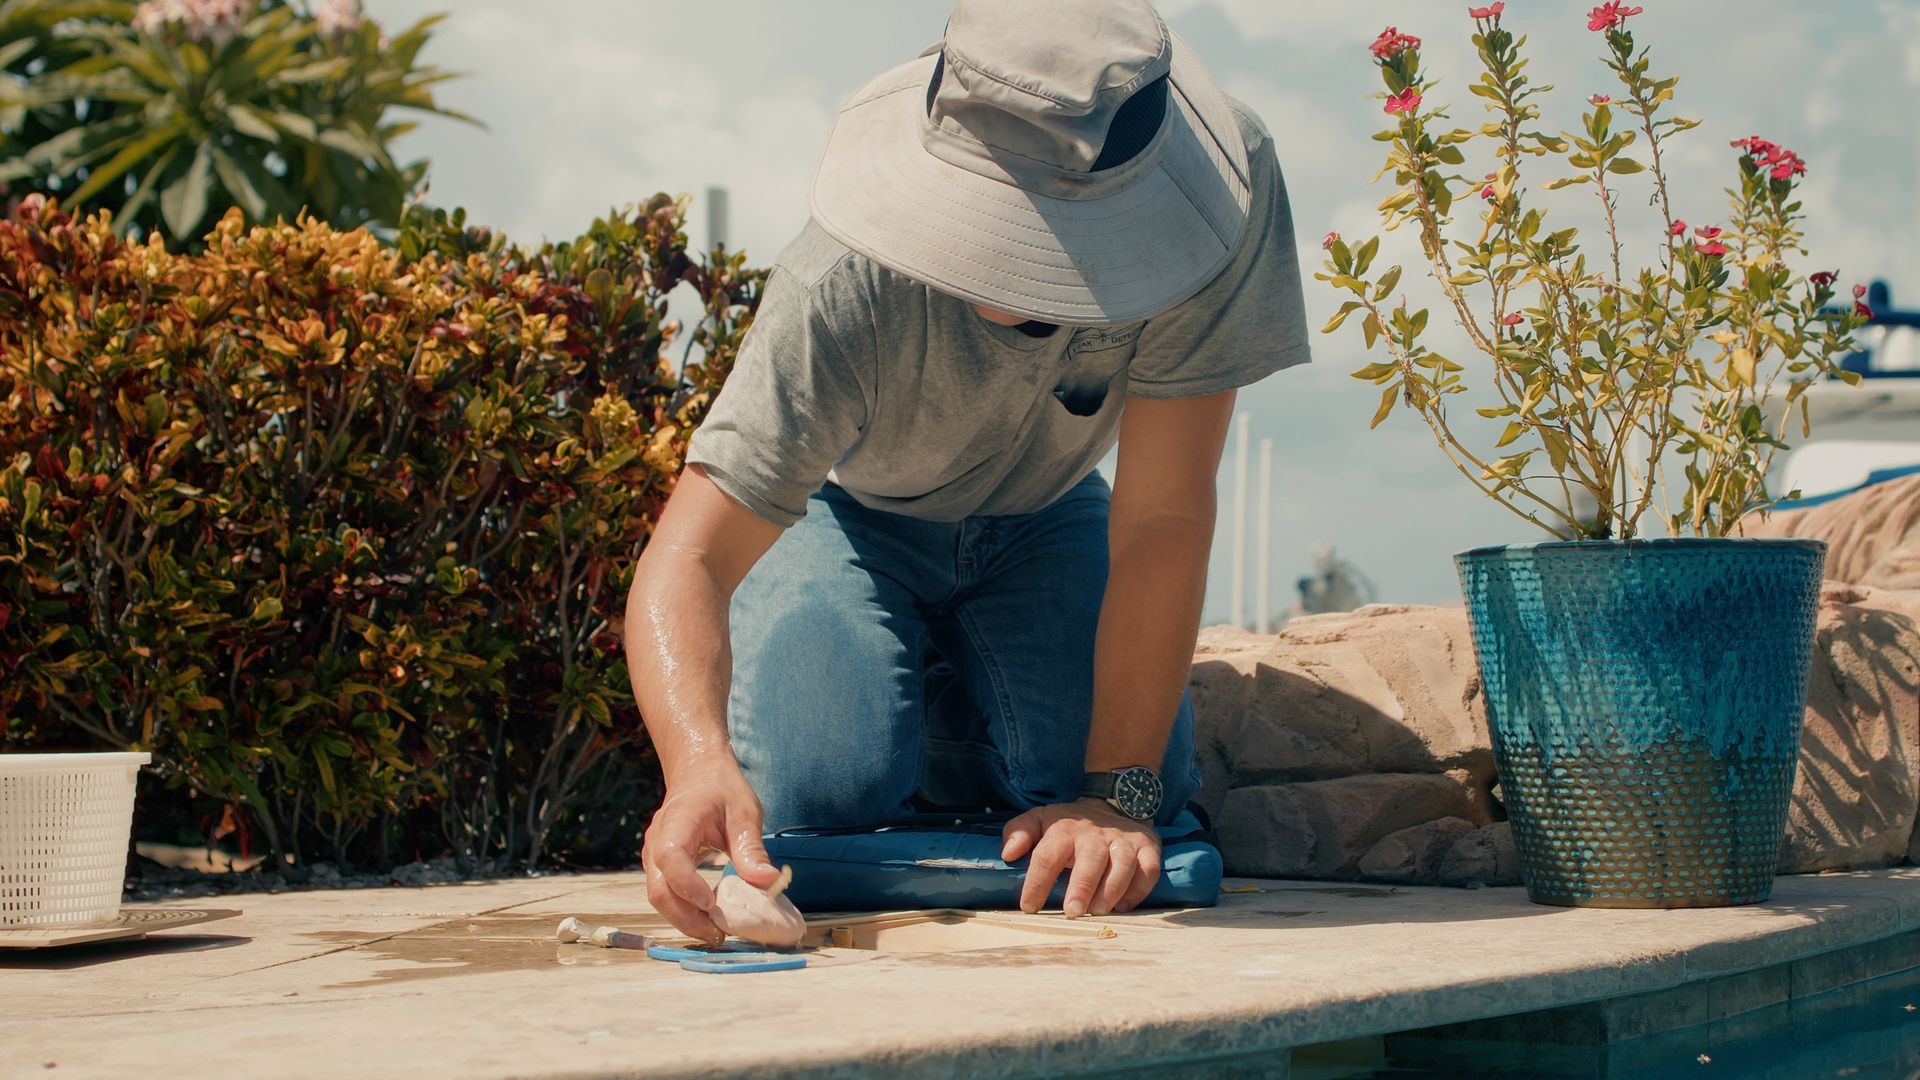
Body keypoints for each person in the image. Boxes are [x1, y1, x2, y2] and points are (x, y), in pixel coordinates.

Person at [623, 0, 1310, 944]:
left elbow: (1162, 517)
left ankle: (951, 708)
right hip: (851, 514)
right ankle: (928, 706)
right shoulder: (839, 283)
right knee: (824, 786)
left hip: (1047, 513)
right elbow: (688, 555)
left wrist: (1115, 796)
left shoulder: (1227, 194)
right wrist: (696, 761)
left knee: (1140, 787)